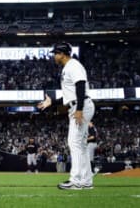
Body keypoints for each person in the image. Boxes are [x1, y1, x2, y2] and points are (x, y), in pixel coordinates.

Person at [38, 42, 95, 190]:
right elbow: (69, 96)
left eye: (55, 53)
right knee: (80, 145)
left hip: (80, 106)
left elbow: (81, 85)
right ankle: (86, 181)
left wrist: (80, 109)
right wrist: (53, 102)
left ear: (62, 53)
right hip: (76, 105)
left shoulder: (73, 65)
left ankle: (75, 180)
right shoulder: (67, 68)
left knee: (74, 143)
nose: (54, 56)